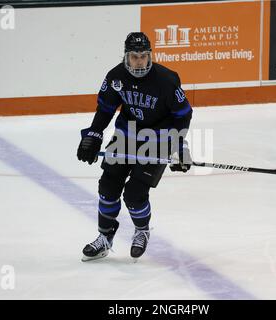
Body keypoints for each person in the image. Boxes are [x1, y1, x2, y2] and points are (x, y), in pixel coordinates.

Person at [77, 32, 193, 261]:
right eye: (134, 57)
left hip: (159, 139)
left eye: (143, 56)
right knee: (108, 186)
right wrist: (93, 135)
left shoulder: (166, 80)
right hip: (126, 136)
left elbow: (183, 115)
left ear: (150, 56)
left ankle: (141, 231)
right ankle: (105, 237)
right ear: (126, 57)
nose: (139, 61)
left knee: (134, 193)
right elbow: (106, 109)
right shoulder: (115, 77)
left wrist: (179, 146)